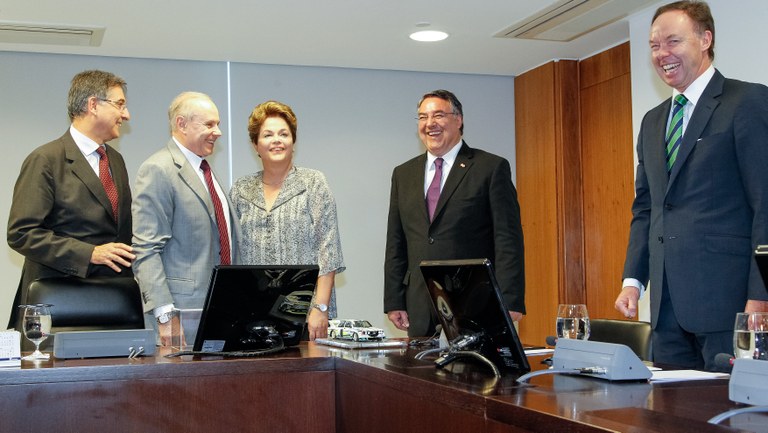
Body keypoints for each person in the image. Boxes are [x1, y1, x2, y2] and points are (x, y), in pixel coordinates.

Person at [616, 1, 768, 370]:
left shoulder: (746, 101)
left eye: (673, 41)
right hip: (666, 311)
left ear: (705, 39)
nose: (661, 54)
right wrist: (633, 280)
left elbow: (765, 204)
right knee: (669, 405)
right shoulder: (652, 122)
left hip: (730, 306)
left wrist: (761, 297)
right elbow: (647, 208)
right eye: (654, 45)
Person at [384, 89, 525, 337]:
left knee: (473, 363)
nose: (430, 124)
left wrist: (510, 299)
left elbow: (508, 239)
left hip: (474, 300)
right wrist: (394, 299)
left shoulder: (490, 168)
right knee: (420, 364)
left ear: (458, 120)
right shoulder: (403, 174)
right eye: (423, 117)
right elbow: (396, 242)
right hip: (419, 303)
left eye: (438, 115)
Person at [7, 70, 135, 332]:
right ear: (93, 105)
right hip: (58, 306)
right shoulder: (46, 160)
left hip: (112, 305)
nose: (126, 115)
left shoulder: (116, 161)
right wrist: (90, 253)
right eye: (120, 104)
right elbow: (22, 234)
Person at [132, 91, 242, 346]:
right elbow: (146, 250)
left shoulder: (205, 171)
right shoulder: (158, 169)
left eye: (218, 124)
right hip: (180, 319)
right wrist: (165, 315)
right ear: (181, 124)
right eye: (209, 124)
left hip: (219, 312)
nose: (218, 132)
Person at [230, 100, 345, 341]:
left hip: (306, 312)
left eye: (284, 134)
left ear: (293, 141)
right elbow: (233, 252)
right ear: (255, 145)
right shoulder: (241, 189)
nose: (277, 140)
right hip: (254, 313)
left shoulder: (313, 183)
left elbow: (329, 250)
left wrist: (320, 308)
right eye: (268, 135)